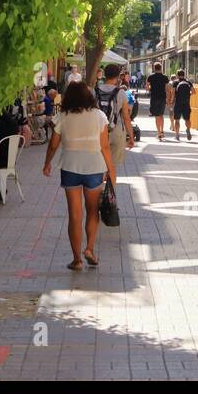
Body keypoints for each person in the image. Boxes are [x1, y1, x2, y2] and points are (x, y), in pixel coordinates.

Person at [43, 81, 116, 271]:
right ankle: (90, 249)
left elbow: (53, 144)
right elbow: (105, 147)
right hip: (94, 167)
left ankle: (76, 260)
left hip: (69, 166)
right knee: (93, 211)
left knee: (75, 215)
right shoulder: (99, 116)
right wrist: (111, 169)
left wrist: (47, 163)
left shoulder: (62, 116)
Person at [96, 63, 136, 169]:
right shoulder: (121, 92)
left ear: (104, 74)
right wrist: (131, 136)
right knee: (112, 166)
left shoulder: (96, 91)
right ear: (118, 76)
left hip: (98, 131)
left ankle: (99, 182)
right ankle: (110, 183)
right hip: (117, 130)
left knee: (99, 165)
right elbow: (126, 117)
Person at [146, 62, 170, 141]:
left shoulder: (150, 77)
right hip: (162, 98)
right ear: (161, 68)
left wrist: (151, 89)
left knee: (156, 116)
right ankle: (162, 131)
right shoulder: (165, 77)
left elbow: (147, 87)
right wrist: (168, 99)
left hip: (154, 97)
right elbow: (167, 89)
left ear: (154, 68)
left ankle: (159, 133)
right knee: (161, 115)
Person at [171, 69, 195, 141]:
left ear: (177, 75)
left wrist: (172, 101)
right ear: (184, 75)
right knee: (187, 119)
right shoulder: (188, 82)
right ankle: (188, 130)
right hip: (186, 103)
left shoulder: (175, 82)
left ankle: (177, 135)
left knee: (177, 120)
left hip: (178, 103)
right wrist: (189, 95)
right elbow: (194, 91)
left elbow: (173, 93)